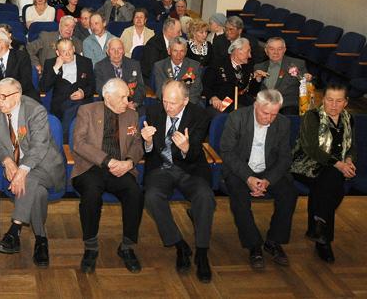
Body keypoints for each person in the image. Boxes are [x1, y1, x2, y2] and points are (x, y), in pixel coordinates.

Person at [140, 80, 213, 281]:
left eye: (173, 103)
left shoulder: (200, 115)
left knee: (205, 196)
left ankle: (202, 251)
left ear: (186, 101)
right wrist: (146, 142)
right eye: (165, 101)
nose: (168, 107)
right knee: (152, 197)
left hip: (189, 168)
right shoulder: (154, 111)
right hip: (161, 168)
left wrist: (187, 148)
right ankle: (179, 245)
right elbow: (148, 151)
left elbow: (196, 152)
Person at [0, 78, 65, 267]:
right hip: (20, 169)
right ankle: (41, 240)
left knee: (29, 178)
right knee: (37, 192)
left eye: (4, 96)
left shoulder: (35, 111)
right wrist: (7, 162)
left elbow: (39, 147)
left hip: (46, 166)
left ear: (18, 96)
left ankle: (14, 230)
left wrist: (21, 171)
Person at [71, 78, 144, 273]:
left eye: (127, 97)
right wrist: (107, 161)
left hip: (121, 166)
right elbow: (79, 143)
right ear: (107, 97)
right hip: (91, 167)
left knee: (135, 192)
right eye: (121, 97)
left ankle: (127, 246)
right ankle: (91, 247)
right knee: (91, 194)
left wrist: (129, 162)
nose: (126, 101)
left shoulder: (132, 115)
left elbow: (137, 144)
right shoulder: (87, 111)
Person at [221, 89, 297, 270]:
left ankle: (274, 241)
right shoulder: (237, 118)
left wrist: (268, 180)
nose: (269, 118)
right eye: (265, 113)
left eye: (274, 114)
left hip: (268, 170)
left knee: (289, 193)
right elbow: (227, 152)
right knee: (238, 197)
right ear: (256, 105)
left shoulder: (283, 123)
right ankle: (254, 245)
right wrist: (248, 177)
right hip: (240, 170)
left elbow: (285, 158)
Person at [291, 84, 354, 263]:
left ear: (346, 102)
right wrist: (339, 164)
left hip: (332, 168)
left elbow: (351, 147)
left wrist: (348, 161)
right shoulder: (311, 117)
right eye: (329, 100)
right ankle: (323, 240)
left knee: (329, 181)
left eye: (339, 101)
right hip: (306, 164)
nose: (333, 105)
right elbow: (311, 149)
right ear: (322, 99)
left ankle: (319, 228)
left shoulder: (349, 119)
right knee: (335, 183)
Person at [39, 39, 94, 136]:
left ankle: (64, 138)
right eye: (63, 51)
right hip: (61, 104)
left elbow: (93, 86)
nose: (67, 54)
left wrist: (83, 93)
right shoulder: (51, 63)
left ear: (73, 49)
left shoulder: (85, 62)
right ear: (57, 52)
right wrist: (56, 68)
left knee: (79, 106)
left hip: (82, 101)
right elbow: (43, 87)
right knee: (76, 109)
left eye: (69, 50)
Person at [254, 37, 310, 115]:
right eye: (272, 49)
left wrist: (307, 79)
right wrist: (257, 79)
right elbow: (253, 92)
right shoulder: (259, 67)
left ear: (284, 50)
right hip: (265, 105)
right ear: (266, 51)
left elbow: (307, 84)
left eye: (279, 49)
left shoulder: (297, 64)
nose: (275, 52)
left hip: (287, 105)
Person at [203, 37, 258, 116]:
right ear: (237, 51)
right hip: (222, 101)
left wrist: (257, 79)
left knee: (259, 110)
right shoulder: (217, 64)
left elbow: (251, 91)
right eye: (248, 51)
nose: (250, 56)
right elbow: (205, 86)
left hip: (242, 101)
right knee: (239, 114)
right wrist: (213, 97)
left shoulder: (248, 66)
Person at [0, 30, 38, 100]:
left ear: (2, 43)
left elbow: (25, 82)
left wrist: (7, 92)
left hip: (23, 96)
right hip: (1, 99)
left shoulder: (21, 57)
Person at [93, 38, 145, 111]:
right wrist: (119, 104)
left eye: (119, 49)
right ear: (107, 52)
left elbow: (141, 89)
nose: (116, 52)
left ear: (123, 51)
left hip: (131, 106)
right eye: (112, 49)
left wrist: (134, 104)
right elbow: (101, 90)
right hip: (110, 107)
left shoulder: (134, 64)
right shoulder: (100, 67)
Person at [153, 38, 203, 105]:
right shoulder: (159, 66)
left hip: (188, 104)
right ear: (169, 51)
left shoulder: (194, 66)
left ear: (185, 52)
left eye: (182, 51)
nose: (178, 55)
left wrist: (183, 104)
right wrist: (172, 104)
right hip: (167, 104)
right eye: (175, 51)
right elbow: (160, 91)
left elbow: (196, 91)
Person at [141, 17, 182, 86]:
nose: (180, 34)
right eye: (178, 31)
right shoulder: (154, 44)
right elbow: (154, 69)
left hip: (170, 77)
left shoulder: (175, 43)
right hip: (154, 80)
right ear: (169, 31)